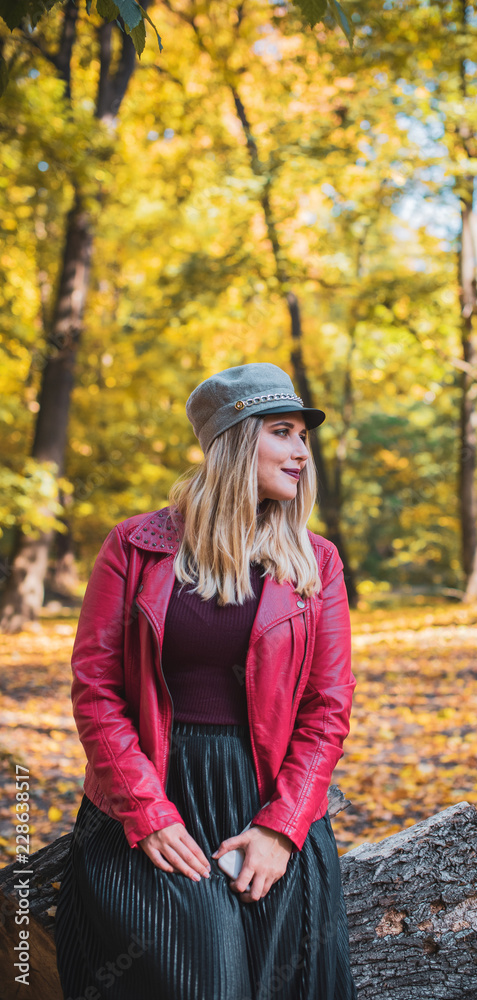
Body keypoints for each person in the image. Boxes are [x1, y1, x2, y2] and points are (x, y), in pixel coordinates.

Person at [54, 362, 358, 1000]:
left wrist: (281, 828)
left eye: (304, 436)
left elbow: (327, 708)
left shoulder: (317, 561)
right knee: (205, 977)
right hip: (150, 795)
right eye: (283, 432)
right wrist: (147, 812)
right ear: (237, 441)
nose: (302, 451)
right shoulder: (134, 547)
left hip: (270, 798)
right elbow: (96, 691)